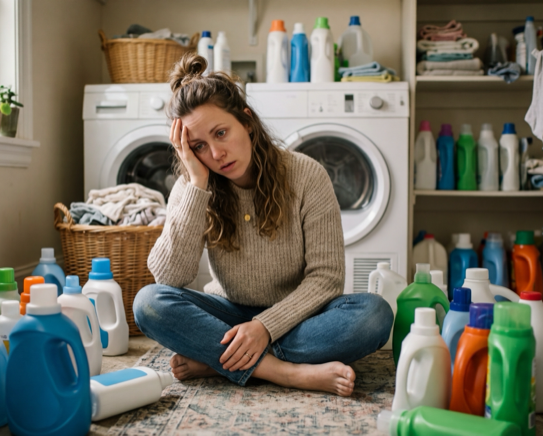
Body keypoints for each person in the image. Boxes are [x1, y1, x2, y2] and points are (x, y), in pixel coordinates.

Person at [133, 53, 393, 397]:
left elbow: (327, 278)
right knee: (149, 302)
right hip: (229, 314)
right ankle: (284, 372)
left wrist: (265, 327)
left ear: (247, 121)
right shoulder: (193, 185)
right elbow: (169, 279)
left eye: (221, 133)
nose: (216, 153)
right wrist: (196, 185)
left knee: (374, 315)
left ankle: (217, 361)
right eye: (199, 146)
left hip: (298, 317)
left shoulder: (306, 174)